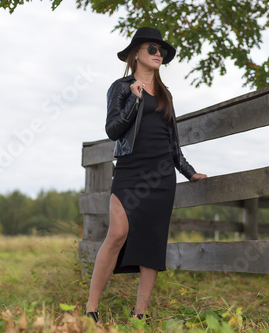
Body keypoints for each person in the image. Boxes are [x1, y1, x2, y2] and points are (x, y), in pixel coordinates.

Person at [85, 27, 207, 323]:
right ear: (136, 53)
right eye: (152, 48)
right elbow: (112, 130)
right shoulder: (120, 87)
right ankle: (91, 309)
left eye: (161, 51)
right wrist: (134, 101)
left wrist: (189, 173)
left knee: (153, 242)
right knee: (117, 234)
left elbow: (173, 142)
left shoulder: (166, 94)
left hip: (162, 175)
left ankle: (139, 314)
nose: (158, 54)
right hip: (129, 170)